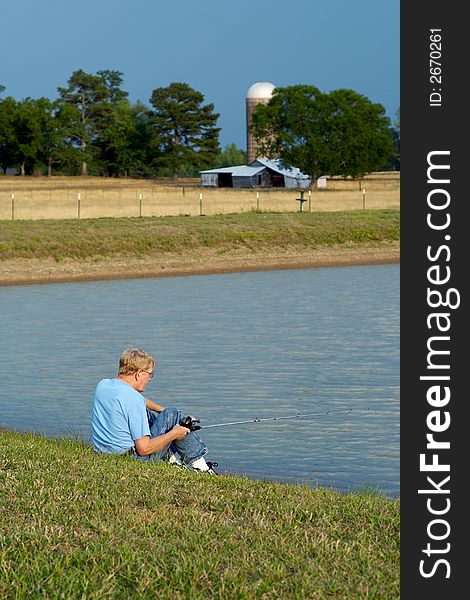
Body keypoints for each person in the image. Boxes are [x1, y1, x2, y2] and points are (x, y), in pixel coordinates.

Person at [92, 347, 218, 474]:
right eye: (149, 374)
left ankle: (172, 460)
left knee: (167, 414)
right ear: (139, 374)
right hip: (132, 460)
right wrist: (174, 433)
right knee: (173, 413)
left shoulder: (103, 385)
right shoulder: (134, 400)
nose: (149, 379)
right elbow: (143, 449)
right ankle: (202, 468)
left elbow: (135, 399)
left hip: (104, 454)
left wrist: (162, 412)